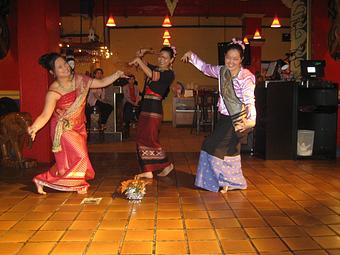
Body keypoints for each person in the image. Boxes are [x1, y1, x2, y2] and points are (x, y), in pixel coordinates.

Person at [27, 52, 126, 195]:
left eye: (65, 64)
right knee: (80, 155)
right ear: (52, 72)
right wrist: (34, 127)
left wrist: (116, 74)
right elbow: (45, 115)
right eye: (60, 67)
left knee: (68, 162)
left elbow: (102, 82)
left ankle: (42, 179)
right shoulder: (53, 91)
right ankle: (78, 184)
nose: (65, 68)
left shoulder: (81, 80)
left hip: (79, 126)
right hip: (63, 128)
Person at [181, 38, 256, 192]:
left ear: (241, 59)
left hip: (237, 120)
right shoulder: (221, 71)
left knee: (211, 146)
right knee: (230, 150)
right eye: (228, 57)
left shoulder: (246, 77)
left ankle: (217, 181)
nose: (231, 62)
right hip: (223, 118)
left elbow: (250, 101)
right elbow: (205, 67)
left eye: (235, 59)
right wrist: (191, 56)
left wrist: (251, 121)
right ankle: (233, 182)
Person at [129, 47, 175, 178]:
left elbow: (151, 75)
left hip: (154, 109)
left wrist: (139, 60)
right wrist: (140, 54)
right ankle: (147, 169)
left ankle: (166, 164)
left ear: (171, 60)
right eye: (160, 56)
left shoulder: (169, 74)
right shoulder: (156, 68)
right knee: (141, 137)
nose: (161, 59)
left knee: (151, 138)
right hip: (146, 106)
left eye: (165, 57)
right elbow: (143, 65)